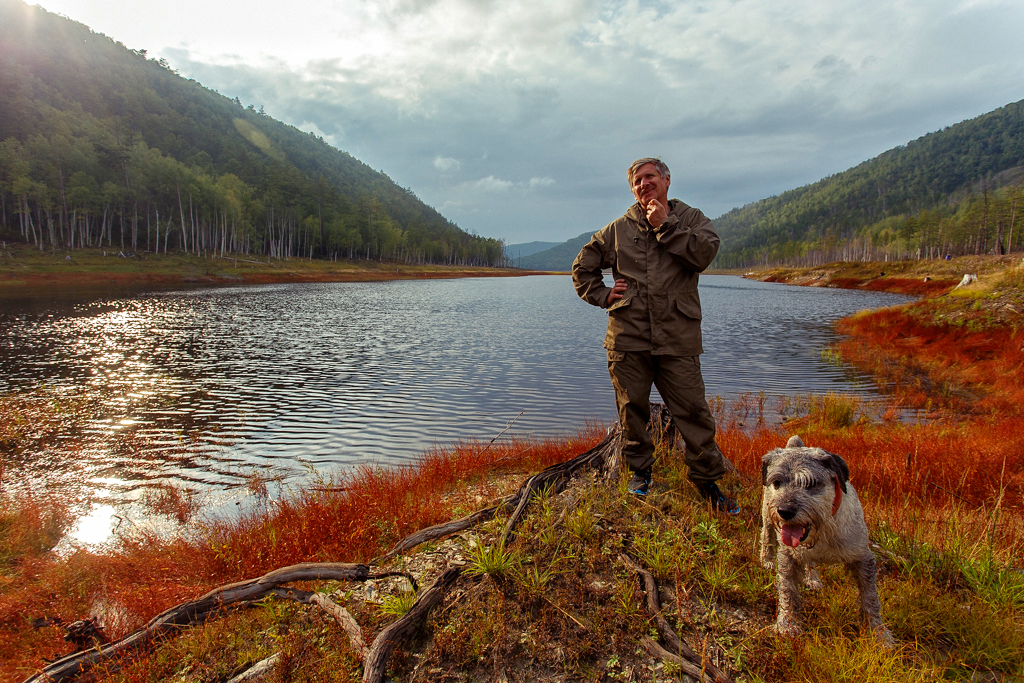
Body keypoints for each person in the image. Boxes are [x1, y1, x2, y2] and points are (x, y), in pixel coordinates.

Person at [571, 157, 738, 513]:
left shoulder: (691, 219)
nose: (643, 184)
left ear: (666, 180)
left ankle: (708, 482)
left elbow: (704, 255)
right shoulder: (617, 230)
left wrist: (666, 225)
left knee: (693, 411)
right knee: (632, 409)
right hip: (627, 338)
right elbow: (582, 267)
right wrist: (603, 295)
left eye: (650, 178)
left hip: (678, 338)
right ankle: (640, 473)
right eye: (637, 181)